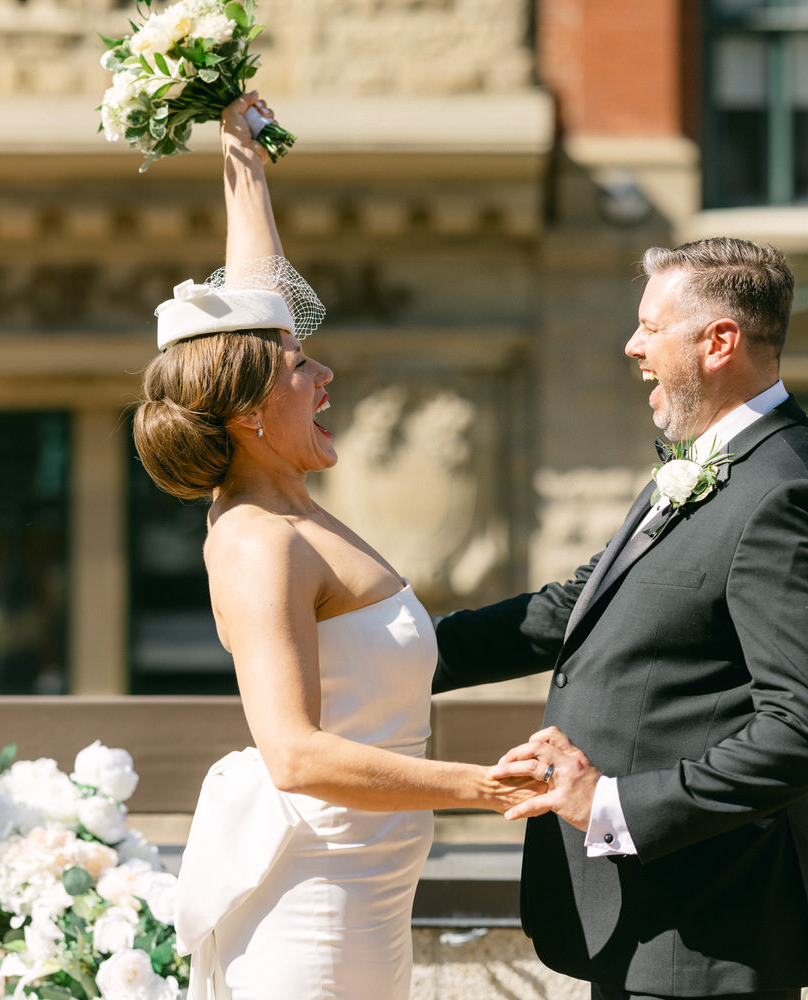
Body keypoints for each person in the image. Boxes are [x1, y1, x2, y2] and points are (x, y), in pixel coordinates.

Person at [133, 93, 539, 1000]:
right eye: (298, 370)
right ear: (248, 418)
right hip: (310, 911)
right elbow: (296, 755)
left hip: (369, 899)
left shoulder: (289, 503)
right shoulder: (257, 544)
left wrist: (240, 150)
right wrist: (484, 786)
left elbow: (259, 283)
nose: (324, 374)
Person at [433, 238, 808, 1000]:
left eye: (650, 327)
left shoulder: (787, 492)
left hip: (703, 934)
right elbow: (584, 603)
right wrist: (399, 651)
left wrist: (611, 806)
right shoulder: (710, 458)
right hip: (646, 929)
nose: (632, 347)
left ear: (719, 341)